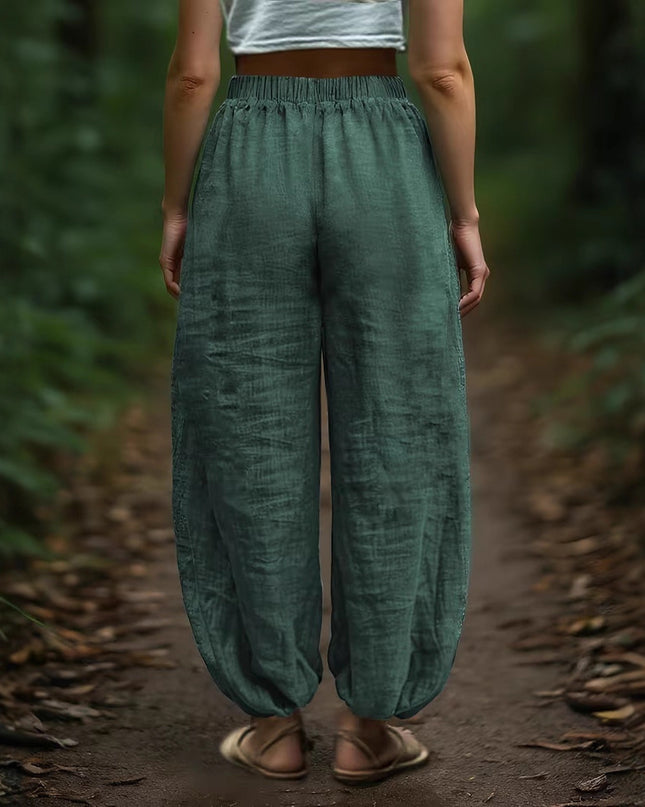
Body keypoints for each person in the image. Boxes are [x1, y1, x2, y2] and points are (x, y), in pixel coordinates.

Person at [159, 0, 490, 786]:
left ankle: (273, 721)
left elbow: (193, 71)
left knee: (247, 427)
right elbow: (441, 70)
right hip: (382, 154)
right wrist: (463, 212)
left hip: (247, 155)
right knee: (398, 426)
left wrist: (176, 205)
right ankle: (368, 724)